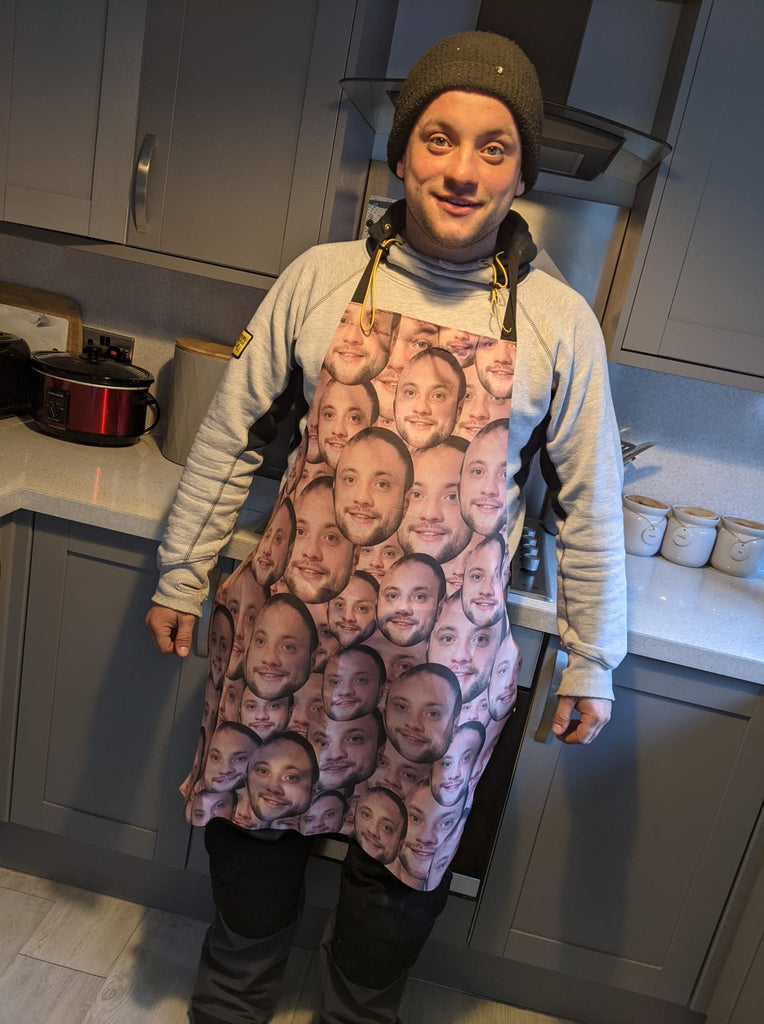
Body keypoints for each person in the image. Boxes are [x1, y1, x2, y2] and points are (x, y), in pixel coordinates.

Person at [145, 30, 625, 1024]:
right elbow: (231, 434)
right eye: (438, 138)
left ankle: (356, 1014)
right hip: (285, 644)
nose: (462, 170)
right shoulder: (318, 279)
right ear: (402, 154)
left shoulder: (558, 322)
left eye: (493, 147)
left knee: (399, 871)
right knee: (252, 831)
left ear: (520, 174)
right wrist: (181, 572)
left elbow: (588, 504)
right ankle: (231, 1003)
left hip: (436, 670)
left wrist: (592, 659)